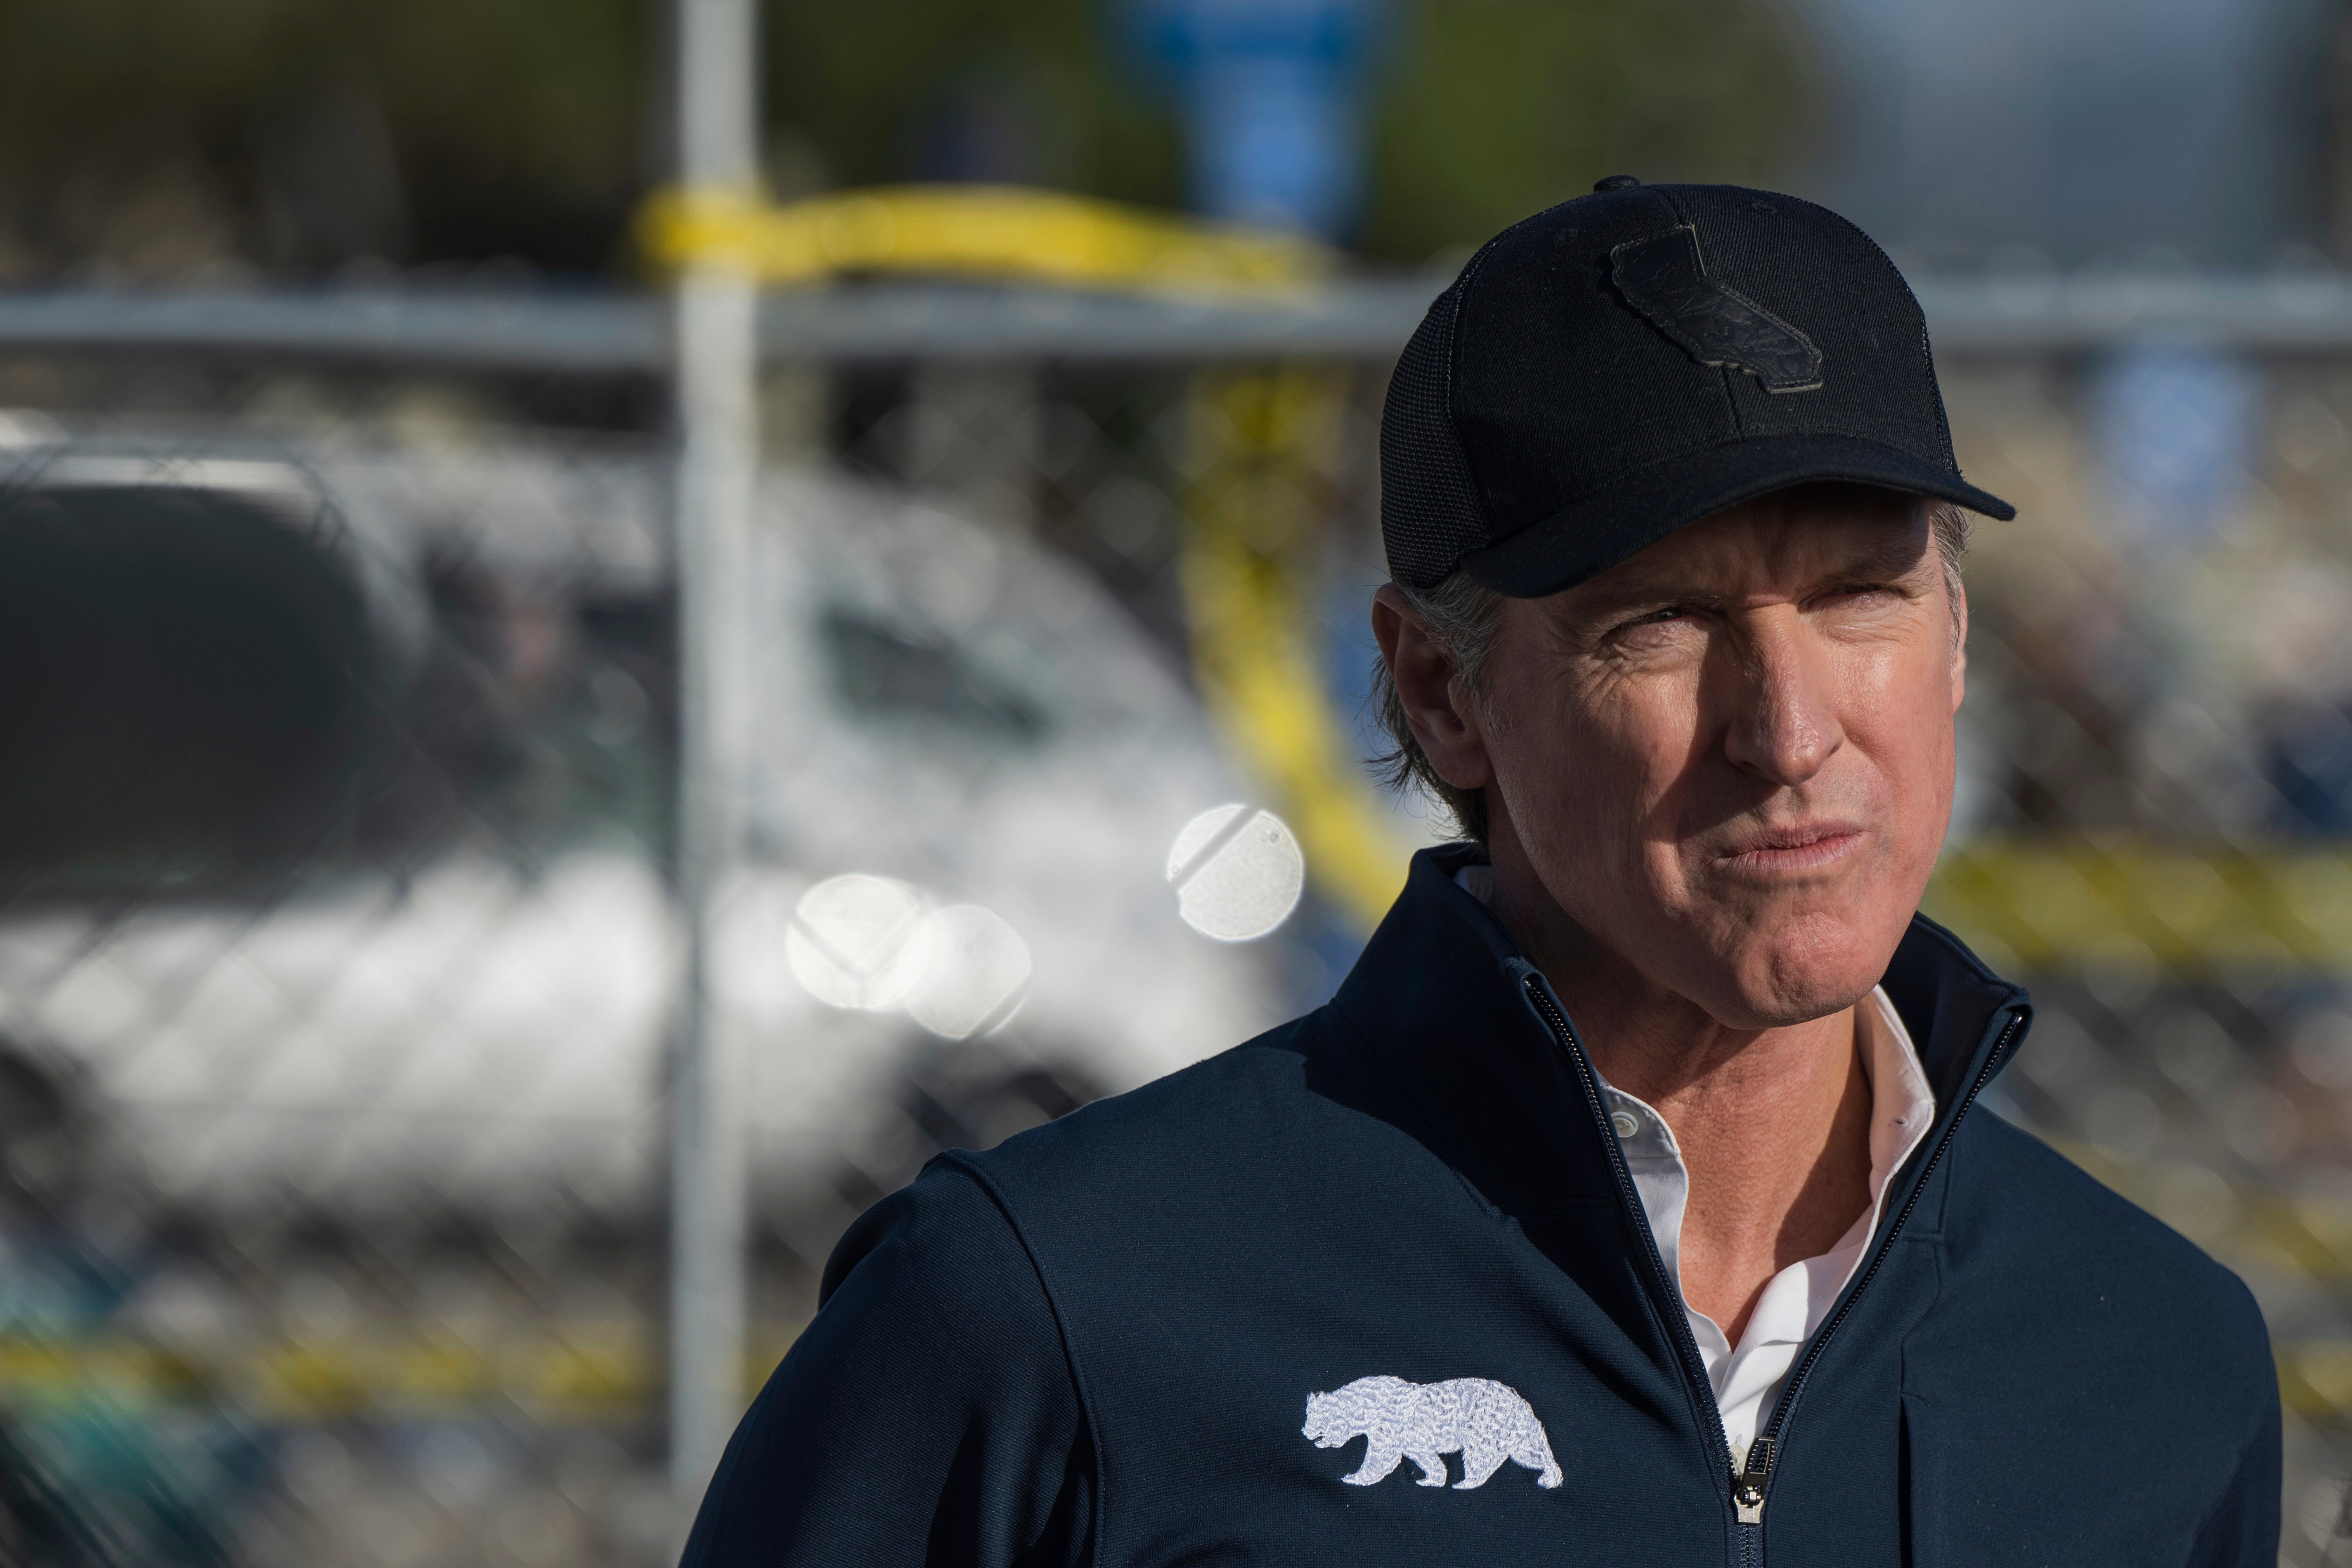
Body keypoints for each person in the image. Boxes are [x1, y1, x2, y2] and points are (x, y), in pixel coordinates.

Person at [681, 179, 2279, 1565]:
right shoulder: (1054, 1310)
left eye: (1860, 594)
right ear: (1442, 688)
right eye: (1661, 620)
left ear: (1957, 632)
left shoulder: (2157, 1358)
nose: (1790, 729)